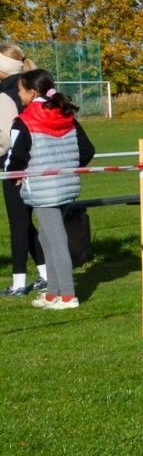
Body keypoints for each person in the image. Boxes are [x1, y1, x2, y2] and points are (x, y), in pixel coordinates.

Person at [5, 71, 94, 309]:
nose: (19, 95)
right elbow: (87, 150)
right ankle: (52, 292)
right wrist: (68, 169)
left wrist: (13, 175)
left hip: (43, 190)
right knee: (46, 236)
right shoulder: (67, 115)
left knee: (55, 239)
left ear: (32, 92)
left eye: (21, 91)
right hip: (66, 187)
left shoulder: (24, 120)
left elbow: (17, 156)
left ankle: (68, 295)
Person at [0, 43, 46, 297]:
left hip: (14, 167)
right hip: (37, 163)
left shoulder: (7, 93)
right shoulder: (31, 85)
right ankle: (46, 274)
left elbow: (5, 138)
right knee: (26, 222)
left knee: (17, 223)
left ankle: (18, 283)